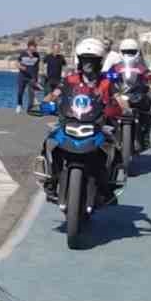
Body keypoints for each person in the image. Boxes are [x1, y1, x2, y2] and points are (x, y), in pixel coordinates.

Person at [43, 37, 124, 203]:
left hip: (97, 123)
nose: (88, 64)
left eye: (92, 61)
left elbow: (118, 98)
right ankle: (50, 180)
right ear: (80, 61)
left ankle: (108, 187)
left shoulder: (107, 81)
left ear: (99, 62)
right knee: (50, 142)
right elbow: (56, 94)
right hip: (70, 121)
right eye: (85, 60)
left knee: (115, 147)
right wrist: (45, 102)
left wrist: (124, 108)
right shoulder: (70, 79)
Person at [14, 40, 40, 111]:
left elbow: (37, 67)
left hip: (31, 77)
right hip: (22, 76)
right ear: (28, 47)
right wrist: (21, 67)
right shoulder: (23, 54)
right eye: (32, 48)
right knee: (20, 91)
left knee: (32, 92)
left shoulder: (37, 55)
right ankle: (19, 105)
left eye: (35, 48)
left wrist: (37, 78)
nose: (34, 49)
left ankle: (30, 107)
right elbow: (16, 63)